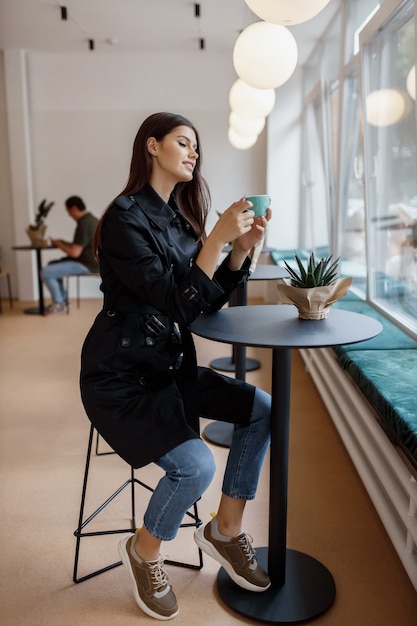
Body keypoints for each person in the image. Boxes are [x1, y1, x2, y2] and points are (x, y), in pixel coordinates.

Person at [79, 112, 272, 621]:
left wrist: (237, 254)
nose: (193, 153)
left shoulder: (180, 218)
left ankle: (224, 532)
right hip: (122, 376)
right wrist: (215, 243)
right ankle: (144, 553)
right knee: (197, 466)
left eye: (196, 147)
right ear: (151, 146)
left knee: (262, 408)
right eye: (183, 142)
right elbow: (173, 303)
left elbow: (204, 304)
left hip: (169, 368)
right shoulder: (122, 218)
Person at [41, 196, 99, 316]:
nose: (69, 215)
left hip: (87, 264)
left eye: (68, 211)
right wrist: (62, 242)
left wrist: (58, 244)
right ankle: (64, 302)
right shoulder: (91, 220)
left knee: (46, 272)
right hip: (92, 261)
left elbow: (74, 252)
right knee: (53, 265)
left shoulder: (84, 224)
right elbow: (79, 245)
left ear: (74, 208)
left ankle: (59, 304)